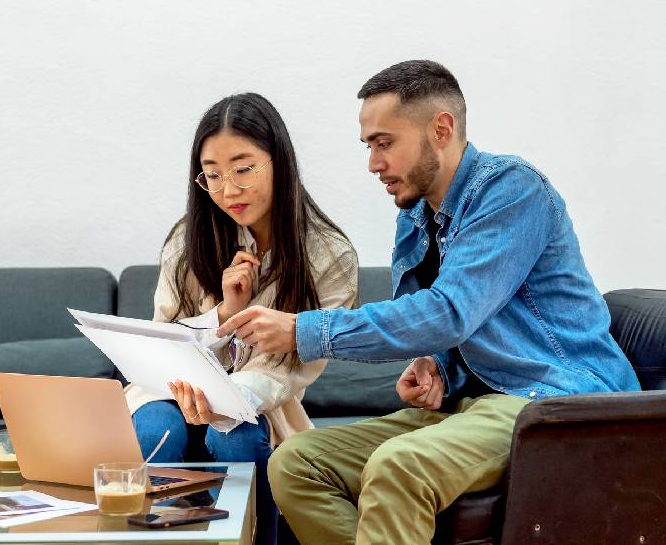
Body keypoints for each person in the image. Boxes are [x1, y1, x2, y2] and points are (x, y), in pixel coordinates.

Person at [216, 61, 642, 544]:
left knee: (399, 466)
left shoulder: (511, 191)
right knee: (296, 462)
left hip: (552, 401)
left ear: (441, 128)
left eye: (385, 143)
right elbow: (448, 327)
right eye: (369, 146)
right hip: (471, 405)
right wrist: (439, 367)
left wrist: (301, 330)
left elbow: (448, 313)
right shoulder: (416, 214)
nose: (373, 164)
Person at [126, 92, 358, 545]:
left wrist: (225, 397)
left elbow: (291, 368)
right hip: (170, 389)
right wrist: (223, 314)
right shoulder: (186, 241)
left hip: (257, 400)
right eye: (212, 175)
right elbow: (162, 340)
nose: (227, 190)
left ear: (279, 161)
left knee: (235, 435)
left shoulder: (330, 256)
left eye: (243, 169)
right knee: (156, 427)